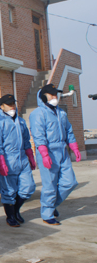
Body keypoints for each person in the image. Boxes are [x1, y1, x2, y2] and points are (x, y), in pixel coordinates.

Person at [29, 84, 81, 225]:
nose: (54, 97)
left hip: (62, 151)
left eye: (55, 94)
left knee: (70, 182)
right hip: (48, 151)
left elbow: (68, 130)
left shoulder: (61, 113)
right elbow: (38, 135)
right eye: (51, 94)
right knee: (50, 185)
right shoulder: (37, 114)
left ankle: (51, 206)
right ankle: (47, 214)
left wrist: (74, 146)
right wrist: (44, 154)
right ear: (43, 96)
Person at [0, 94, 36, 227]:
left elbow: (26, 140)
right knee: (9, 191)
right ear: (1, 106)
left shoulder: (20, 121)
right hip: (7, 159)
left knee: (28, 188)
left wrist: (30, 156)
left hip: (22, 159)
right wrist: (1, 162)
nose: (12, 106)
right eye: (9, 104)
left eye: (13, 103)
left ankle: (15, 211)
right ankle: (10, 216)